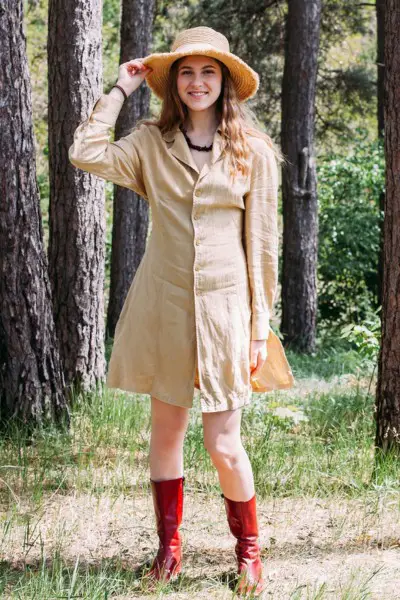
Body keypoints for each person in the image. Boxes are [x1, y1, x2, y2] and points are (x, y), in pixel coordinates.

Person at [69, 25, 295, 597]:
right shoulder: (149, 142)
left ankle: (249, 553)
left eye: (209, 72)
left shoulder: (255, 152)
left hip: (227, 310)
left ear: (225, 83)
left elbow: (262, 246)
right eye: (187, 73)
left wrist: (257, 329)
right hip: (165, 302)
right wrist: (120, 89)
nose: (198, 82)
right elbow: (84, 153)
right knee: (165, 432)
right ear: (174, 84)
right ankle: (168, 551)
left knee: (224, 441)